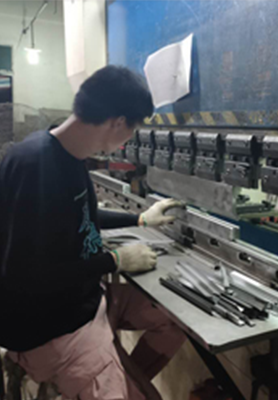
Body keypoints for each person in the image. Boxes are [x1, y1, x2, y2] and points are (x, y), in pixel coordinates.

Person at [0, 65, 186, 400]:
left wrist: (140, 219)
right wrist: (114, 260)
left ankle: (121, 376)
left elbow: (79, 214)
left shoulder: (64, 153)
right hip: (54, 327)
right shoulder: (35, 166)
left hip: (85, 297)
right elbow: (29, 277)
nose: (128, 139)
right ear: (118, 122)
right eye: (132, 130)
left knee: (174, 319)